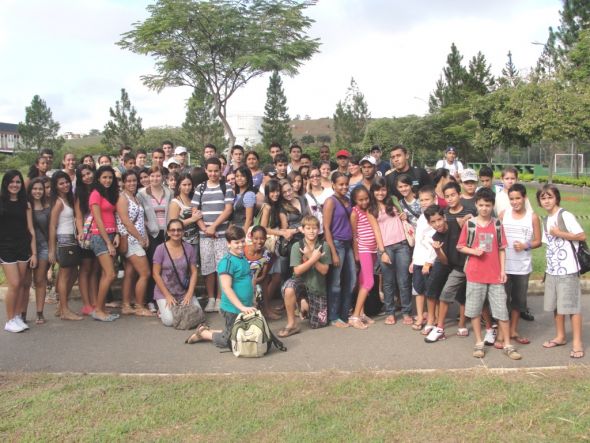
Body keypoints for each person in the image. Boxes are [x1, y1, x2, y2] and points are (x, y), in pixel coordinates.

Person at [457, 187, 522, 360]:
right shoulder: (470, 225)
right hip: (475, 274)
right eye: (481, 205)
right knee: (475, 310)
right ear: (476, 205)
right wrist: (473, 251)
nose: (484, 208)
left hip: (495, 276)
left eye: (487, 205)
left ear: (492, 205)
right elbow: (461, 246)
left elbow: (502, 249)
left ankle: (508, 344)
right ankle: (479, 343)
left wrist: (502, 271)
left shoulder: (497, 224)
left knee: (501, 311)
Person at [184, 226, 255, 346]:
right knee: (232, 341)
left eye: (242, 241)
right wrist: (242, 307)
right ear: (228, 244)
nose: (240, 245)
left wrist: (251, 301)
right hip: (232, 308)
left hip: (245, 306)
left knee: (246, 334)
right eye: (236, 242)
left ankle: (216, 331)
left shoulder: (242, 258)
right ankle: (204, 334)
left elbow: (248, 280)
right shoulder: (227, 262)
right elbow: (226, 288)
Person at [537, 184, 585, 359]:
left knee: (572, 306)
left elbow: (581, 236)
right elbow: (549, 246)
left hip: (569, 269)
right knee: (556, 306)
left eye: (549, 196)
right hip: (552, 270)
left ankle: (578, 343)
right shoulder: (545, 219)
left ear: (556, 198)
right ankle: (560, 336)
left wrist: (559, 232)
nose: (547, 200)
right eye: (543, 198)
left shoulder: (565, 215)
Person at [496, 184, 541, 346]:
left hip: (522, 267)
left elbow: (538, 241)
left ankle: (513, 330)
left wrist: (525, 246)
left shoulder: (533, 217)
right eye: (512, 199)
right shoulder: (503, 214)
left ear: (524, 198)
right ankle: (502, 332)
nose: (515, 202)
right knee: (502, 299)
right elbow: (496, 236)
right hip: (504, 266)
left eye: (518, 198)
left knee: (518, 301)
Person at [193, 157, 235, 313]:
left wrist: (214, 227)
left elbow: (228, 209)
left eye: (216, 171)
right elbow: (195, 210)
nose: (213, 174)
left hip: (222, 235)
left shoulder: (226, 187)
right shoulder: (200, 188)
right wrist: (205, 228)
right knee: (207, 267)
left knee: (221, 267)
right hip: (204, 236)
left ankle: (220, 298)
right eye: (210, 171)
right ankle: (211, 299)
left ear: (221, 170)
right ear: (205, 171)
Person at [279, 215, 332, 337]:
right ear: (302, 229)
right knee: (289, 288)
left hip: (317, 287)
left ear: (318, 230)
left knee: (318, 324)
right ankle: (292, 323)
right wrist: (312, 258)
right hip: (300, 283)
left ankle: (305, 305)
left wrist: (311, 258)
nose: (311, 231)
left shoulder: (324, 246)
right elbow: (297, 271)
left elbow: (324, 271)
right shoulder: (297, 246)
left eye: (314, 228)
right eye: (308, 228)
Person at [423, 205, 468, 342]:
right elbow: (444, 261)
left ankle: (462, 323)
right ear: (429, 223)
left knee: (462, 293)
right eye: (433, 222)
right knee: (433, 283)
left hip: (464, 264)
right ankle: (433, 322)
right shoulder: (436, 236)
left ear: (444, 217)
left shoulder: (457, 224)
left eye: (439, 219)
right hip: (449, 263)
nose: (437, 224)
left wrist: (468, 218)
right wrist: (437, 250)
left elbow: (471, 222)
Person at [370, 176, 412, 326]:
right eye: (377, 189)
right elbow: (376, 232)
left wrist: (404, 216)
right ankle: (390, 312)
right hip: (386, 247)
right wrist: (382, 252)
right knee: (388, 282)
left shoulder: (393, 200)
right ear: (373, 191)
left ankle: (406, 311)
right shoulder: (371, 209)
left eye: (383, 189)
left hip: (402, 244)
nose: (380, 192)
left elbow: (403, 217)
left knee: (404, 280)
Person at [349, 186, 390, 329]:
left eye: (366, 198)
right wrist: (356, 253)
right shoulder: (355, 212)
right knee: (369, 282)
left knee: (362, 281)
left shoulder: (370, 209)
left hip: (372, 250)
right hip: (363, 249)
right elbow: (354, 235)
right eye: (360, 200)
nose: (364, 201)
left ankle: (361, 313)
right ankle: (354, 316)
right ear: (355, 200)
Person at [1, 170, 37, 333]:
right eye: (12, 182)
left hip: (23, 247)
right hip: (5, 247)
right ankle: (9, 321)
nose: (15, 185)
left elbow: (31, 229)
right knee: (14, 283)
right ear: (6, 183)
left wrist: (34, 252)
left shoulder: (26, 203)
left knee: (22, 284)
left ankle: (16, 316)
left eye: (18, 182)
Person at [116, 170, 153, 317]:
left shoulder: (135, 197)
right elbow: (125, 221)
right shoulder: (122, 198)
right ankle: (139, 305)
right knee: (145, 273)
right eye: (129, 181)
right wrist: (140, 238)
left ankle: (126, 305)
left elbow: (139, 220)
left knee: (130, 273)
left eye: (134, 180)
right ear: (124, 182)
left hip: (138, 239)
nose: (132, 183)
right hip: (131, 240)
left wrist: (145, 237)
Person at [88, 166, 121, 322]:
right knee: (110, 274)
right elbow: (98, 219)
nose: (107, 180)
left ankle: (100, 308)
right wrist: (108, 242)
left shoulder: (110, 193)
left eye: (110, 177)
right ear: (98, 178)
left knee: (105, 274)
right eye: (104, 177)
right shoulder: (95, 194)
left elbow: (113, 217)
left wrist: (116, 234)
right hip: (100, 237)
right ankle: (98, 310)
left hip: (111, 235)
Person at [152, 219, 200, 327]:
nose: (176, 233)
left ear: (183, 232)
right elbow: (155, 274)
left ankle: (172, 309)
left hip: (183, 291)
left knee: (198, 315)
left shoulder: (189, 248)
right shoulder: (160, 249)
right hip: (165, 292)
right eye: (172, 230)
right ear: (168, 232)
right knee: (169, 321)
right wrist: (167, 295)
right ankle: (162, 309)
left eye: (179, 230)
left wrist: (189, 293)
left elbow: (194, 272)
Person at [138, 165, 173, 311]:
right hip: (151, 234)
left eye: (158, 176)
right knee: (153, 267)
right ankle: (151, 299)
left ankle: (165, 296)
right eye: (151, 176)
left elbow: (171, 212)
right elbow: (140, 216)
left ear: (163, 177)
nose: (154, 179)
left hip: (166, 233)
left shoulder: (169, 192)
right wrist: (144, 234)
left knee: (166, 266)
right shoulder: (142, 194)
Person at [323, 172, 355, 328]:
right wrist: (333, 252)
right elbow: (326, 228)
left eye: (346, 184)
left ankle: (344, 314)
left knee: (351, 280)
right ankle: (333, 316)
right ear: (333, 185)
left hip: (348, 243)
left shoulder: (348, 201)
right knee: (336, 282)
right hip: (337, 244)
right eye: (340, 184)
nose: (344, 187)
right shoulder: (330, 201)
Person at [48, 171, 81, 321]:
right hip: (64, 240)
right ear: (56, 186)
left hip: (72, 240)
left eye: (67, 182)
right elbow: (52, 226)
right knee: (64, 275)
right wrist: (52, 250)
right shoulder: (58, 202)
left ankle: (61, 306)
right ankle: (64, 310)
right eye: (61, 183)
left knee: (73, 273)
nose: (65, 185)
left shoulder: (67, 199)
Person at [409, 187, 437, 327]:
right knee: (418, 291)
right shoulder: (421, 217)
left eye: (427, 199)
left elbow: (435, 243)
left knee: (431, 292)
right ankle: (420, 316)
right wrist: (414, 261)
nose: (424, 202)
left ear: (434, 199)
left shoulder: (436, 217)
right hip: (419, 259)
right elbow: (418, 241)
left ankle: (433, 318)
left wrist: (429, 262)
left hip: (430, 261)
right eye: (421, 200)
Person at [74, 165, 99, 315]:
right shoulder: (80, 193)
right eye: (83, 176)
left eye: (88, 173)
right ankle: (86, 303)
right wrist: (81, 232)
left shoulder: (100, 189)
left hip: (99, 233)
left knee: (96, 270)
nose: (87, 177)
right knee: (85, 269)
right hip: (86, 234)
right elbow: (78, 216)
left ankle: (95, 301)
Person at [28, 178, 51, 325]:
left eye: (40, 189)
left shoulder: (48, 206)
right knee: (24, 282)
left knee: (40, 280)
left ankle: (39, 313)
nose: (37, 191)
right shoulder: (25, 205)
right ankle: (22, 313)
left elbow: (51, 230)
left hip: (43, 246)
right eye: (35, 189)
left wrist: (52, 249)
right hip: (26, 247)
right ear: (30, 190)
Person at [244, 226, 274, 319]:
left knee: (263, 283)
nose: (259, 241)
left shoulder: (266, 254)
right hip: (243, 279)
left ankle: (265, 310)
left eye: (262, 238)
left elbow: (263, 275)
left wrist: (255, 281)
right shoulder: (243, 251)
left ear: (265, 239)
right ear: (251, 238)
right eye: (256, 238)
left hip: (256, 280)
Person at [168, 173, 200, 247]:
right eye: (184, 185)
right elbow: (173, 225)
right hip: (183, 241)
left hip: (197, 239)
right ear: (179, 185)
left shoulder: (194, 199)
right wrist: (192, 219)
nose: (187, 187)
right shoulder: (175, 202)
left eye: (189, 184)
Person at [305, 165, 333, 235]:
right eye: (312, 176)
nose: (315, 178)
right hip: (315, 233)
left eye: (317, 175)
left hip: (331, 230)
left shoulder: (330, 192)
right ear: (308, 179)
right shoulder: (306, 197)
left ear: (320, 176)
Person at [232, 166, 256, 233]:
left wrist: (243, 235)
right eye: (237, 176)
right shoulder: (236, 194)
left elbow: (249, 219)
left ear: (247, 178)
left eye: (242, 176)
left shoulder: (249, 194)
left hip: (244, 230)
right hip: (236, 229)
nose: (239, 178)